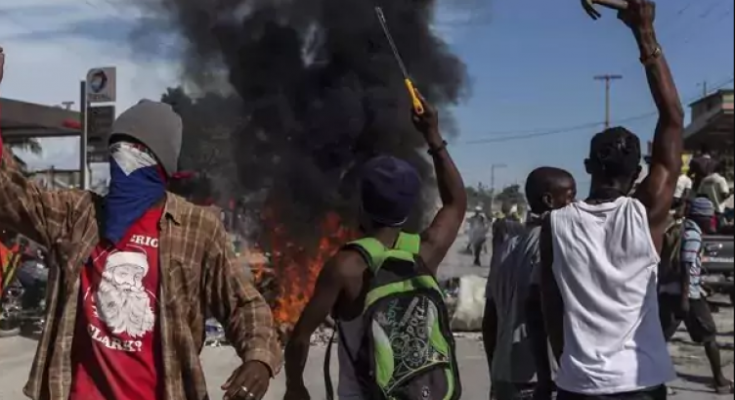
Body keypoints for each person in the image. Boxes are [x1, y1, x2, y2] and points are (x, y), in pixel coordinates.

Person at [0, 47, 280, 400]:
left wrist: (259, 358)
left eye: (135, 151)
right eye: (116, 149)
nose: (121, 161)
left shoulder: (196, 229)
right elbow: (9, 194)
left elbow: (243, 304)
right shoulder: (78, 214)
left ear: (161, 163)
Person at [539, 2, 684, 399]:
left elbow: (551, 305)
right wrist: (645, 33)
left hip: (577, 384)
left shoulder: (555, 223)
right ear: (638, 173)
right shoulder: (646, 212)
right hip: (640, 383)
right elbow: (673, 118)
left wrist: (570, 367)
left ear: (588, 166)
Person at [283, 94, 467, 400]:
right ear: (409, 207)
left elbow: (300, 339)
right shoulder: (424, 252)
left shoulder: (346, 267)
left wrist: (294, 386)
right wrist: (433, 135)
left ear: (362, 205)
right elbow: (456, 202)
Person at [484, 167, 576, 400]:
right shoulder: (554, 243)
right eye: (570, 197)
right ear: (549, 201)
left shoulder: (506, 247)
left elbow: (490, 319)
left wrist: (495, 372)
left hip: (505, 374)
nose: (575, 205)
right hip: (538, 379)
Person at [658, 197, 733, 394]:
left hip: (669, 292)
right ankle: (720, 381)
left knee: (660, 339)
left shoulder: (681, 228)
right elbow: (686, 265)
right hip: (687, 295)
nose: (712, 221)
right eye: (710, 217)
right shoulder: (693, 234)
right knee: (710, 336)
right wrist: (685, 298)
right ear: (702, 217)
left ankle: (656, 382)